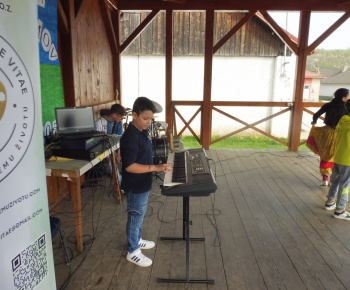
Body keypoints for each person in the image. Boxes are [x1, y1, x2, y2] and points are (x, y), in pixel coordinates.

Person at [120, 97, 172, 267]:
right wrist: (155, 168)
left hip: (143, 183)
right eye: (145, 118)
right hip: (135, 185)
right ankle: (133, 251)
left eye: (151, 119)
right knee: (135, 217)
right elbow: (129, 166)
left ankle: (137, 240)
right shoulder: (131, 137)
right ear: (134, 115)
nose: (148, 122)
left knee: (139, 215)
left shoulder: (141, 130)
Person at [306, 88, 350, 186]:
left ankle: (325, 178)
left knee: (326, 155)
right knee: (336, 156)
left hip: (327, 133)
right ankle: (333, 179)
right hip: (339, 135)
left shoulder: (328, 105)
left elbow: (316, 115)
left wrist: (314, 122)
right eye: (348, 96)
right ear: (343, 98)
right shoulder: (347, 108)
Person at [324, 99, 350, 220]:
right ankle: (340, 210)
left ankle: (330, 202)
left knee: (335, 181)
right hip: (348, 160)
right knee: (345, 185)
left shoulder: (343, 120)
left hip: (338, 157)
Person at [95, 104, 126, 178]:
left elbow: (120, 138)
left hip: (115, 147)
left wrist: (119, 151)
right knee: (110, 160)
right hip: (103, 149)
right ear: (114, 115)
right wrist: (112, 152)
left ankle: (127, 174)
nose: (121, 119)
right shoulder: (99, 123)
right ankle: (120, 184)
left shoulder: (118, 123)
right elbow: (98, 142)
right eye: (121, 117)